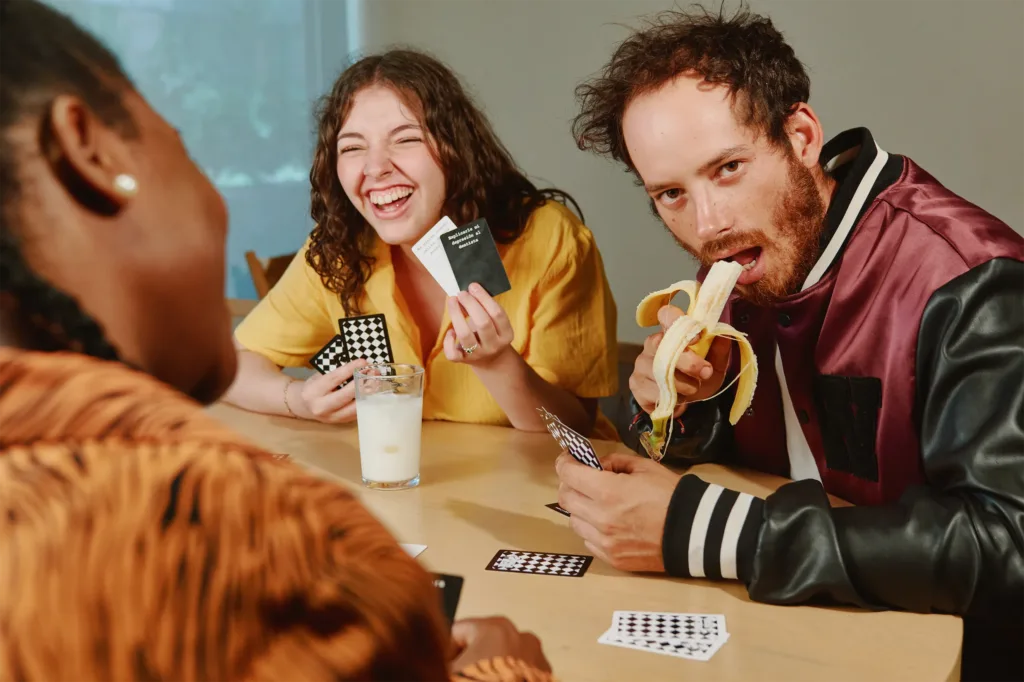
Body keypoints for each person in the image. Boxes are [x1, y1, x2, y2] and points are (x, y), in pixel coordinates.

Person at [0, 2, 555, 680]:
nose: (375, 169)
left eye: (404, 140)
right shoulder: (273, 542)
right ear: (90, 153)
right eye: (181, 143)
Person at [556, 5, 1024, 678]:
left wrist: (702, 532)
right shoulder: (748, 258)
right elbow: (780, 461)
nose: (709, 224)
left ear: (800, 134)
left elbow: (1008, 544)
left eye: (728, 168)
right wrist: (686, 407)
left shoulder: (969, 279)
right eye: (670, 194)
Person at [224, 49, 618, 439]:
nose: (375, 167)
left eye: (406, 139)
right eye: (352, 147)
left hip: (535, 489)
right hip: (399, 484)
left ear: (455, 149)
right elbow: (233, 366)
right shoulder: (339, 250)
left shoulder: (549, 239)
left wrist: (498, 363)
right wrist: (299, 399)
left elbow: (576, 426)